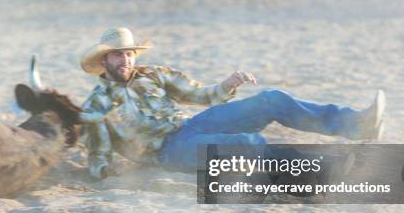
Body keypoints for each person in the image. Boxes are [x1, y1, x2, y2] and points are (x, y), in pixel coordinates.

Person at [80, 27, 385, 179]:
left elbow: (199, 95)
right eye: (118, 54)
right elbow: (98, 154)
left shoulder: (154, 75)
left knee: (271, 99)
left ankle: (357, 124)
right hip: (168, 152)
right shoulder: (98, 103)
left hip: (189, 127)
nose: (126, 59)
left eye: (129, 53)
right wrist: (108, 169)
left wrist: (227, 85)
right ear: (104, 59)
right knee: (246, 144)